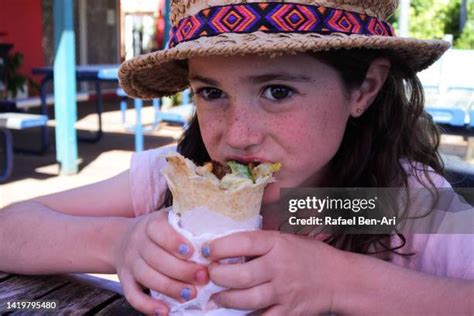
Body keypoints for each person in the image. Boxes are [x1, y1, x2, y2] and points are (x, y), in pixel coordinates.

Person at [1, 0, 473, 315]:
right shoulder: (172, 179)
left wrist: (335, 279)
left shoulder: (394, 202)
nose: (237, 136)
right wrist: (119, 243)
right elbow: (9, 229)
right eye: (211, 92)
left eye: (278, 90)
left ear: (364, 89)